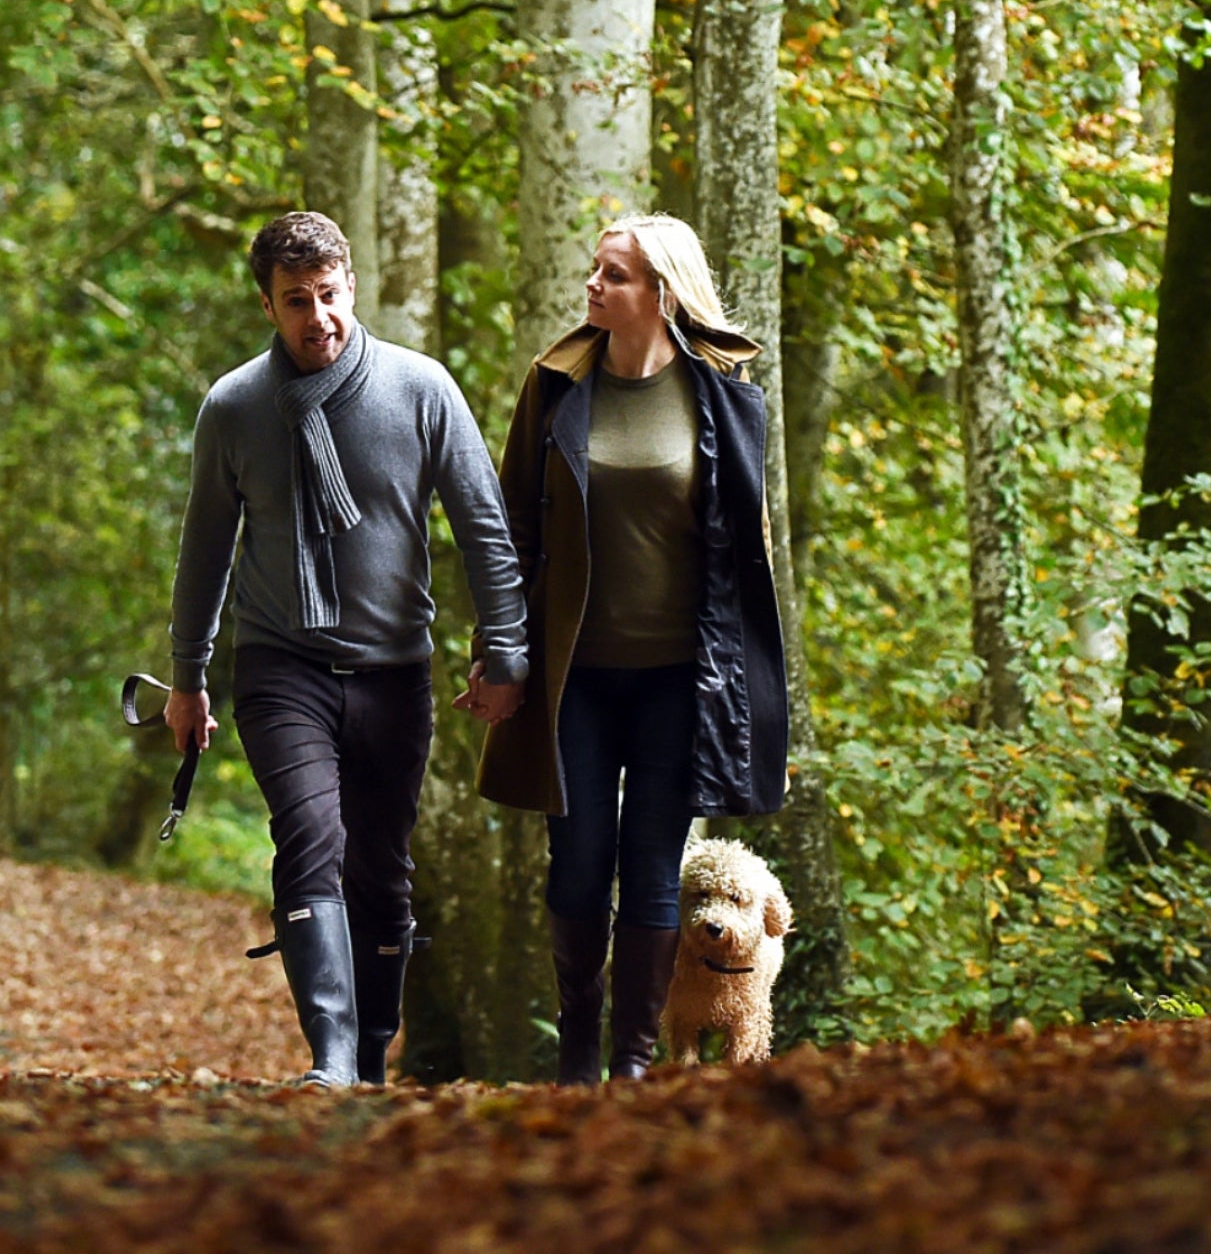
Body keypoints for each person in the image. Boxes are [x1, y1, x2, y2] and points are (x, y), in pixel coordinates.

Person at [164, 212, 530, 1086]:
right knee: (308, 837)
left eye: (329, 295)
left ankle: (370, 1053)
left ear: (352, 287)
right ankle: (330, 1054)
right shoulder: (235, 407)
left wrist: (507, 649)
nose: (316, 317)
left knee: (381, 867)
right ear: (268, 306)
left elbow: (485, 527)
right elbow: (205, 549)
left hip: (395, 669)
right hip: (278, 666)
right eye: (296, 302)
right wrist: (187, 677)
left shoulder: (420, 388)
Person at [469, 215, 792, 1084]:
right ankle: (579, 1045)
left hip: (681, 682)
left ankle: (636, 1061)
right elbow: (514, 530)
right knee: (576, 870)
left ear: (660, 293)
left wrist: (749, 690)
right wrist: (497, 654)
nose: (593, 285)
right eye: (594, 270)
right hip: (576, 677)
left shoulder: (725, 396)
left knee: (653, 871)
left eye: (612, 275)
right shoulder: (556, 384)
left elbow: (747, 550)